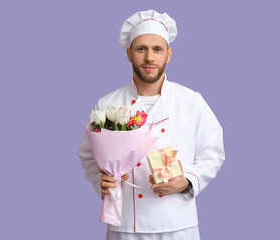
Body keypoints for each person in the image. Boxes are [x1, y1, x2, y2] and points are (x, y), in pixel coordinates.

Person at [78, 9, 225, 240]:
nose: (149, 58)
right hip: (125, 226)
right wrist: (101, 180)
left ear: (169, 54)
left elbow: (213, 153)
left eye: (157, 49)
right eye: (141, 49)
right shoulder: (108, 104)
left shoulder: (191, 101)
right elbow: (88, 155)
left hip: (179, 224)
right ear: (128, 54)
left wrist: (186, 182)